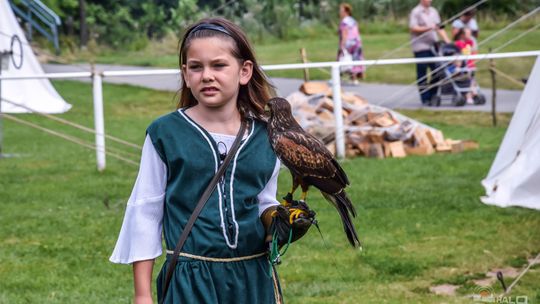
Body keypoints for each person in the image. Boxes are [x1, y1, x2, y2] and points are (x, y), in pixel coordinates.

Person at [109, 17, 310, 304]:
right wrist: (142, 295)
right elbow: (146, 211)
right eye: (196, 67)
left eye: (218, 65)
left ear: (244, 71)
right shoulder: (165, 134)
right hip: (191, 277)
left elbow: (263, 199)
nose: (206, 75)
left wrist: (279, 219)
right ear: (185, 74)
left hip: (253, 275)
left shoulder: (267, 135)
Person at [409, 0, 450, 105]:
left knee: (437, 71)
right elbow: (413, 28)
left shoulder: (433, 11)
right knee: (422, 74)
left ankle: (433, 95)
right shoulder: (416, 12)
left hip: (434, 46)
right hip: (421, 47)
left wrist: (448, 42)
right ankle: (425, 98)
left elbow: (439, 28)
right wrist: (428, 28)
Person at [338, 3, 365, 84]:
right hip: (357, 42)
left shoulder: (344, 21)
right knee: (354, 60)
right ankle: (354, 79)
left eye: (340, 10)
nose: (339, 12)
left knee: (343, 60)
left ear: (345, 11)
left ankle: (338, 79)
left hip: (348, 44)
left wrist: (342, 45)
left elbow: (345, 33)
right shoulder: (353, 20)